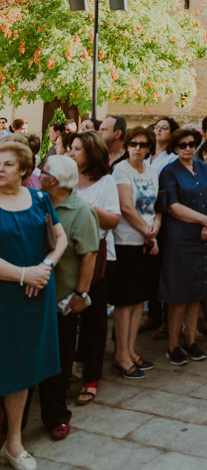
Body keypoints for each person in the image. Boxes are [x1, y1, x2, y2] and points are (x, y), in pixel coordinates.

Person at [0, 139, 67, 470]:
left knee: (21, 368)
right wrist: (24, 274)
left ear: (25, 170)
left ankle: (13, 443)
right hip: (6, 294)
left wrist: (46, 267)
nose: (0, 168)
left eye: (8, 163)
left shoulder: (40, 199)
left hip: (33, 298)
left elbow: (61, 239)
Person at [38, 155, 99, 440]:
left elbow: (89, 255)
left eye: (44, 171)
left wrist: (80, 294)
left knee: (59, 360)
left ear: (57, 180)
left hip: (61, 298)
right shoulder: (38, 201)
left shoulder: (82, 210)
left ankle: (56, 416)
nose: (40, 173)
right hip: (31, 293)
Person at [158, 128, 207, 365]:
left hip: (204, 237)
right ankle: (173, 345)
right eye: (182, 145)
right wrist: (204, 220)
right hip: (181, 238)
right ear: (175, 148)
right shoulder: (169, 172)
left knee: (197, 289)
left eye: (191, 144)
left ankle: (190, 340)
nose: (187, 148)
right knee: (179, 293)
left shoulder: (205, 168)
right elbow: (172, 207)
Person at [68, 131, 120, 405]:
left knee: (94, 319)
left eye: (77, 148)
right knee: (67, 316)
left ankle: (91, 377)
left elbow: (113, 220)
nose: (71, 152)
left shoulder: (106, 182)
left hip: (99, 257)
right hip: (68, 256)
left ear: (92, 152)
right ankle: (70, 367)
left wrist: (85, 207)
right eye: (70, 148)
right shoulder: (66, 179)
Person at [109, 126, 160, 379]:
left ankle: (131, 350)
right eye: (132, 144)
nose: (137, 148)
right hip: (126, 242)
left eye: (142, 144)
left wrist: (154, 232)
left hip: (146, 241)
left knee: (139, 299)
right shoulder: (121, 169)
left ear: (150, 147)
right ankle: (120, 354)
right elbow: (127, 208)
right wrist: (149, 234)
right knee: (125, 300)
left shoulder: (151, 170)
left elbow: (156, 206)